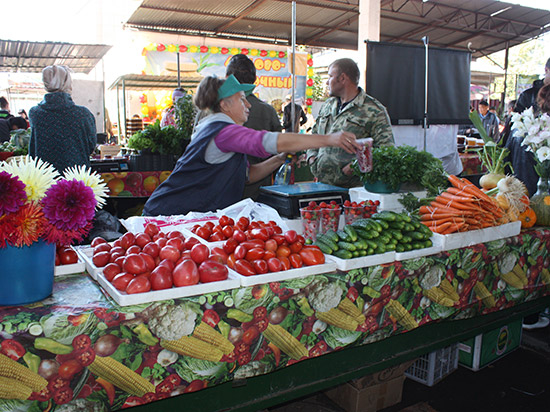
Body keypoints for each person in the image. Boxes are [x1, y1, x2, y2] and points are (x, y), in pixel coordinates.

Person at [143, 74, 359, 216]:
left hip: (179, 215)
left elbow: (248, 176)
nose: (248, 105)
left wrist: (280, 158)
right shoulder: (224, 131)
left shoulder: (216, 129)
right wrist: (330, 139)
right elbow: (269, 141)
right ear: (224, 104)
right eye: (241, 99)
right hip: (168, 216)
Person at [306, 58, 394, 188]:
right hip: (322, 184)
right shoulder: (328, 105)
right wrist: (312, 157)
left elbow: (387, 150)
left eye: (330, 76)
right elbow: (315, 134)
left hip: (351, 190)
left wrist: (352, 168)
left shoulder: (374, 110)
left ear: (342, 78)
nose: (326, 82)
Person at [225, 54, 282, 200]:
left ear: (227, 78)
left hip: (220, 193)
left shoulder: (209, 110)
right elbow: (278, 152)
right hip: (257, 194)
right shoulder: (267, 111)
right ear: (254, 80)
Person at [28, 65, 96, 172]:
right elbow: (91, 146)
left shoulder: (34, 113)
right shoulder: (83, 114)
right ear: (68, 83)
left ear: (45, 84)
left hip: (44, 181)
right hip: (76, 179)